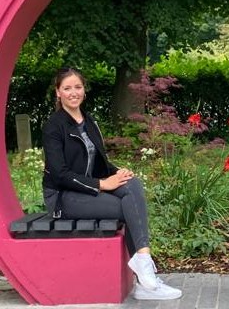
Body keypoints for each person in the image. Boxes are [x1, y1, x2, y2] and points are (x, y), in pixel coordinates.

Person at [42, 67, 182, 301]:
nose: (73, 92)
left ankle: (143, 265)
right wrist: (101, 185)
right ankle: (145, 278)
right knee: (129, 209)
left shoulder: (89, 122)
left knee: (132, 185)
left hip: (87, 190)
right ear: (58, 93)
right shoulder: (54, 127)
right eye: (67, 88)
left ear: (84, 90)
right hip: (63, 197)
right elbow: (59, 175)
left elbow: (100, 163)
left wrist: (118, 172)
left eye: (78, 87)